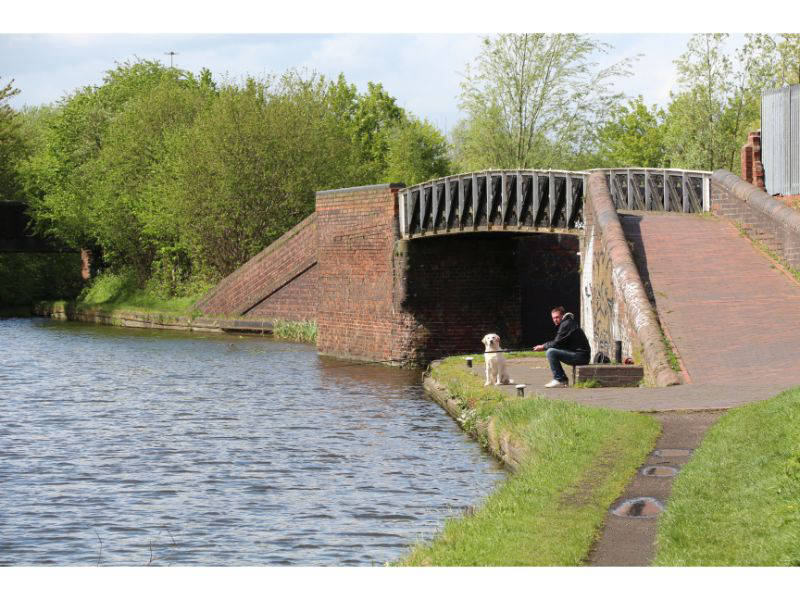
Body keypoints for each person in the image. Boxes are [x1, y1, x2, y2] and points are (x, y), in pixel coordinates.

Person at [533, 306, 590, 388]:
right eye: (553, 318)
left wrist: (543, 346)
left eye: (557, 317)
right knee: (552, 350)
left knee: (551, 352)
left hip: (581, 356)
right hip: (581, 355)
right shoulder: (568, 322)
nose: (555, 320)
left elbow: (556, 343)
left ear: (562, 316)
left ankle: (560, 379)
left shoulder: (566, 324)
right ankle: (561, 379)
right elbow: (559, 343)